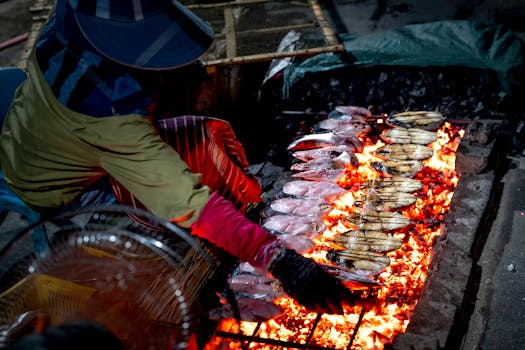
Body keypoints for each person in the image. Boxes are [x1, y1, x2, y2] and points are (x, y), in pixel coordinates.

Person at [0, 0, 355, 315]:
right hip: (55, 185)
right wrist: (280, 261)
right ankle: (225, 248)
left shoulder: (72, 16)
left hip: (27, 135)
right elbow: (191, 202)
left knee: (205, 135)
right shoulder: (109, 117)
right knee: (181, 200)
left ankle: (245, 224)